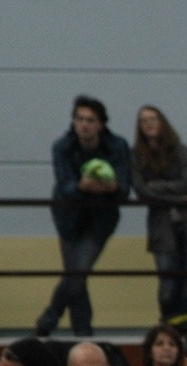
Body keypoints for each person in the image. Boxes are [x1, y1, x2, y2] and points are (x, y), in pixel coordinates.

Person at [36, 95, 130, 337]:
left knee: (77, 272)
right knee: (76, 275)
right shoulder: (62, 146)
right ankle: (83, 331)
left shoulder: (118, 146)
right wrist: (83, 186)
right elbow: (66, 184)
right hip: (69, 217)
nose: (84, 125)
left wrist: (108, 187)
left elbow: (123, 188)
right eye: (79, 119)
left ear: (101, 124)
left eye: (90, 120)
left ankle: (48, 320)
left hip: (100, 220)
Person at [131, 105, 187, 322]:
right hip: (161, 226)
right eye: (143, 121)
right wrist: (179, 198)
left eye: (153, 119)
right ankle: (167, 326)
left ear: (162, 122)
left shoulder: (180, 149)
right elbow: (142, 192)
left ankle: (182, 326)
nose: (149, 124)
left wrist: (158, 186)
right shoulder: (136, 155)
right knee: (168, 283)